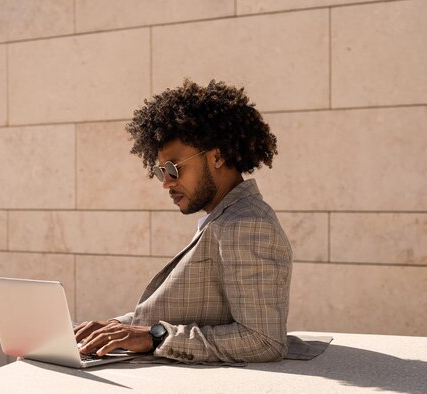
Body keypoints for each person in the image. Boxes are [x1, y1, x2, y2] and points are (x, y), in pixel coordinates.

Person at [74, 79, 292, 363]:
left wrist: (155, 337)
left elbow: (263, 340)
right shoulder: (224, 218)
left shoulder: (246, 224)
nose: (167, 183)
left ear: (218, 157)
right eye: (161, 171)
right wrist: (116, 328)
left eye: (174, 168)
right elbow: (191, 312)